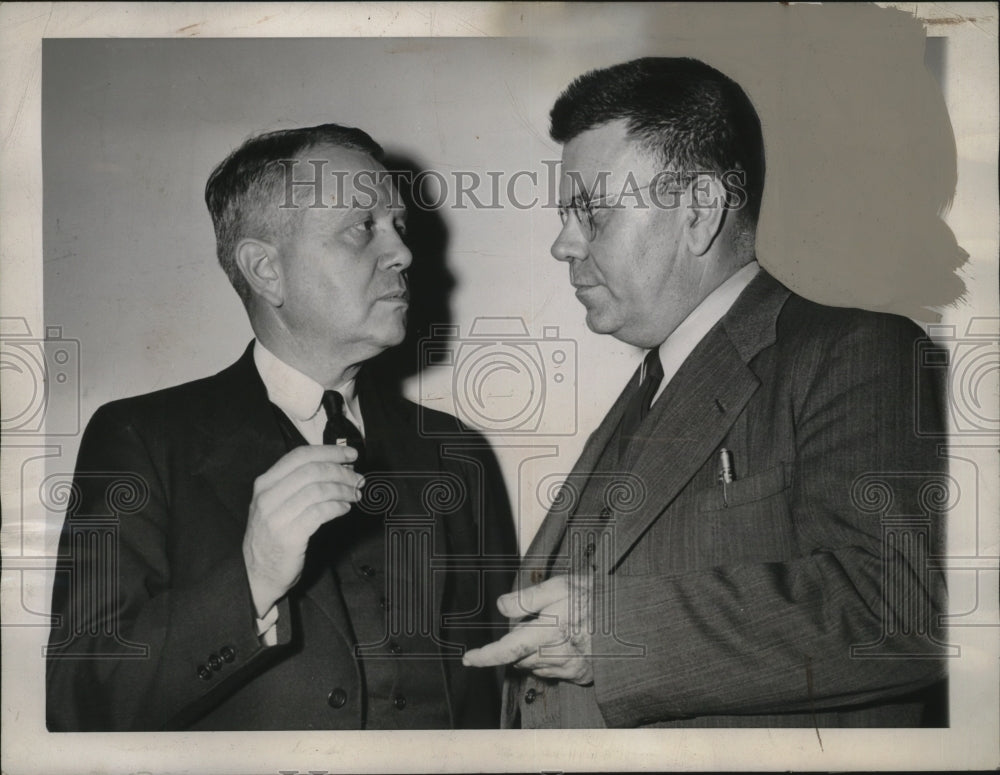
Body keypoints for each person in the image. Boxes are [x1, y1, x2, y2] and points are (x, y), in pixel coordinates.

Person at [464, 57, 949, 728]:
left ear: (699, 210)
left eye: (592, 213)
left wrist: (611, 629)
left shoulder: (857, 351)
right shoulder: (651, 387)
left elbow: (902, 607)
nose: (563, 245)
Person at [46, 123, 517, 731]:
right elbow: (80, 705)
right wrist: (253, 577)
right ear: (266, 270)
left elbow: (501, 686)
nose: (402, 252)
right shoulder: (140, 439)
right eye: (361, 227)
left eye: (397, 225)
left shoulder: (456, 451)